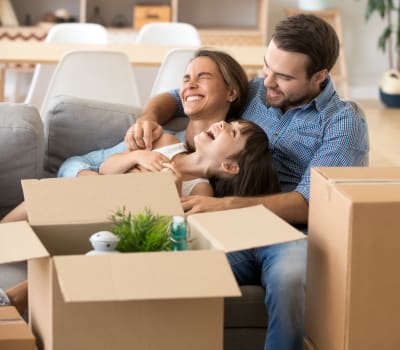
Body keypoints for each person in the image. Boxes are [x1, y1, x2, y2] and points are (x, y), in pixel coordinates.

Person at [123, 14, 369, 350]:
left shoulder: (342, 122)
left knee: (290, 276)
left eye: (283, 77)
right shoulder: (254, 90)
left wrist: (223, 205)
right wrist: (147, 118)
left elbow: (310, 203)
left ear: (320, 76)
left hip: (287, 234)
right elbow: (176, 97)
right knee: (151, 262)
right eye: (267, 67)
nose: (268, 82)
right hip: (223, 225)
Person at [1, 48, 250, 222]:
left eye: (203, 77)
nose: (189, 85)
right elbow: (72, 165)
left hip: (124, 226)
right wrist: (95, 175)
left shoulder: (222, 164)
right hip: (91, 199)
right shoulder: (158, 140)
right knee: (46, 196)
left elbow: (177, 228)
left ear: (231, 92)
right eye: (186, 78)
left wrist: (170, 191)